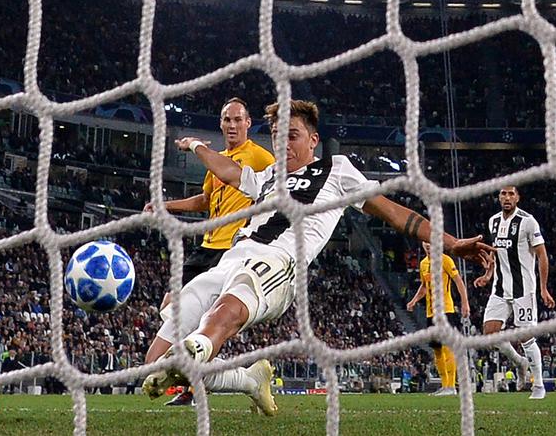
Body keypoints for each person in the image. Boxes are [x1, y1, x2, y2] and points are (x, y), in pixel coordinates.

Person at [142, 100, 493, 415]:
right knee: (154, 361)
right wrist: (197, 145)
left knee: (223, 314)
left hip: (278, 264)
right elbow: (227, 171)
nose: (283, 144)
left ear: (313, 140)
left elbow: (394, 212)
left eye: (292, 136)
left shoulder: (337, 170)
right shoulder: (266, 177)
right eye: (278, 136)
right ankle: (248, 381)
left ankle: (198, 350)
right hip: (230, 261)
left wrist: (450, 242)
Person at [143, 97, 274, 406]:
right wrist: (166, 205)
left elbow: (281, 187)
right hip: (206, 247)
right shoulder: (217, 161)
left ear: (248, 123)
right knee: (168, 308)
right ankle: (231, 379)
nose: (231, 124)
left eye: (237, 119)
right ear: (221, 124)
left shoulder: (259, 157)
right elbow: (204, 201)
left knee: (202, 324)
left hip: (232, 250)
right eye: (226, 119)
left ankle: (195, 389)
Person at [473, 186, 555, 400]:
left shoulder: (528, 221)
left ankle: (539, 386)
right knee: (489, 333)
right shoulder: (493, 221)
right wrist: (488, 275)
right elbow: (496, 255)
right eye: (503, 194)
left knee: (526, 338)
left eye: (511, 194)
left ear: (518, 197)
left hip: (523, 290)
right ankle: (520, 362)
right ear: (499, 197)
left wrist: (543, 288)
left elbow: (542, 256)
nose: (507, 197)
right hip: (499, 289)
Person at [406, 241, 471, 396]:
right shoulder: (423, 264)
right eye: (425, 242)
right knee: (436, 350)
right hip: (431, 313)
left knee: (447, 347)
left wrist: (465, 303)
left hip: (445, 310)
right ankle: (444, 385)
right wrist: (414, 300)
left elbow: (458, 281)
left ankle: (451, 386)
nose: (428, 245)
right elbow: (424, 286)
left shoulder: (445, 260)